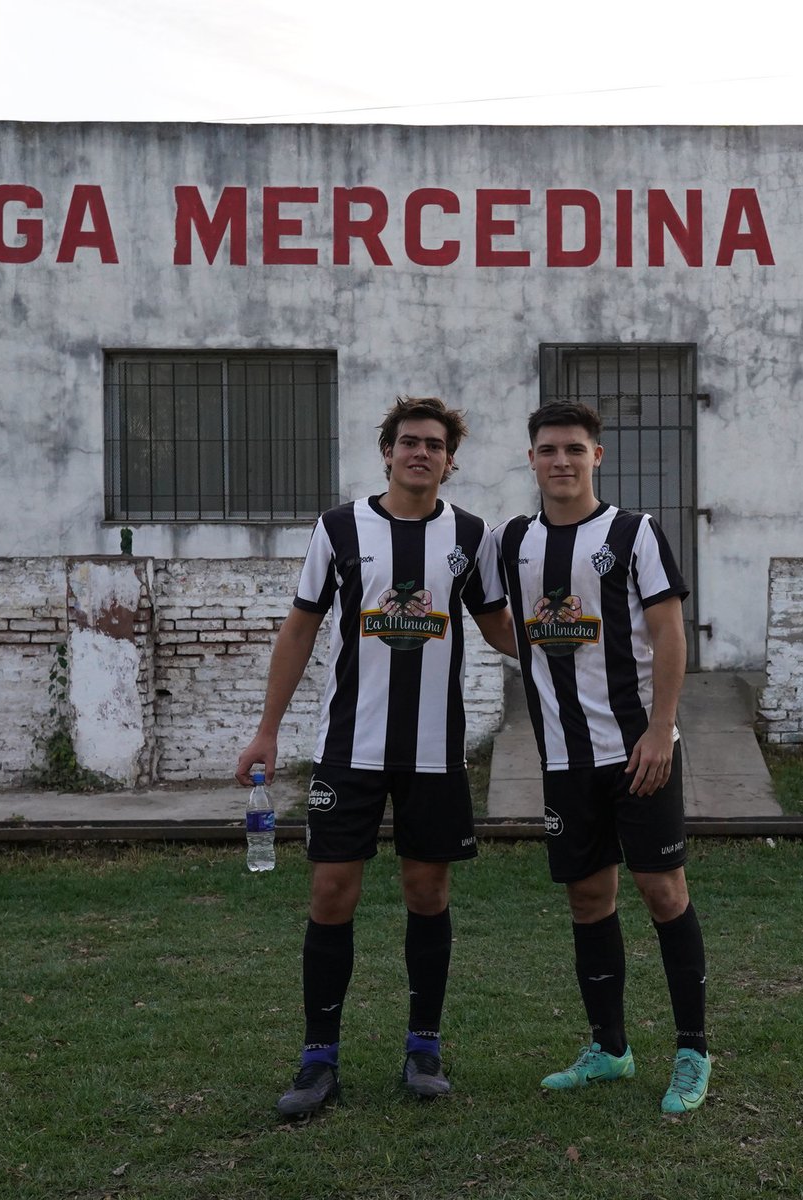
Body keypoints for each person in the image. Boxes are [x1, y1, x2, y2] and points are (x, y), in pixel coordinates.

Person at [235, 395, 513, 1118]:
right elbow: (299, 631)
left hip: (433, 754)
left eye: (435, 445)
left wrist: (581, 646)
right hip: (348, 751)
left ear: (451, 460)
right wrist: (267, 729)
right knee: (331, 892)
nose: (421, 453)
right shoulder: (338, 529)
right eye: (408, 442)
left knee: (428, 893)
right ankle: (318, 1059)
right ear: (386, 451)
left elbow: (500, 629)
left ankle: (424, 1048)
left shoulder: (472, 537)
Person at [491, 399, 711, 1115]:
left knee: (662, 892)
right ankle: (609, 1048)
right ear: (531, 459)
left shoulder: (634, 532)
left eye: (574, 449)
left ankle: (692, 1051)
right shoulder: (513, 541)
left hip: (638, 751)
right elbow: (499, 619)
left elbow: (669, 632)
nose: (561, 461)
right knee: (589, 899)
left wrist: (661, 727)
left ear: (597, 457)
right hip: (564, 759)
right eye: (548, 450)